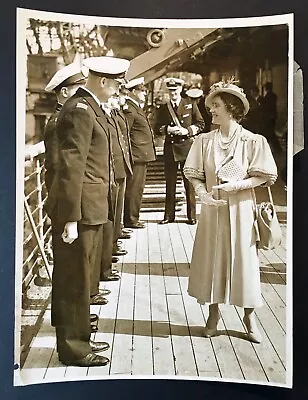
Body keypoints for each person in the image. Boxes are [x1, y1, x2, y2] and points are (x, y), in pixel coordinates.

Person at [45, 56, 130, 367]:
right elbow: (71, 167)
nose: (121, 85)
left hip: (91, 208)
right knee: (73, 279)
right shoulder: (81, 111)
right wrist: (69, 218)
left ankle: (81, 336)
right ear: (102, 81)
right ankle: (72, 348)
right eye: (117, 81)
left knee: (83, 277)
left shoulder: (90, 108)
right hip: (79, 211)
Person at [183, 80, 277, 343]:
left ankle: (249, 316)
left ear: (232, 108)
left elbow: (264, 176)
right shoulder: (204, 141)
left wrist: (236, 185)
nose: (211, 110)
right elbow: (194, 175)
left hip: (241, 209)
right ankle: (213, 314)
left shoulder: (252, 140)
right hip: (213, 211)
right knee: (212, 259)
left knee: (245, 262)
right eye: (211, 106)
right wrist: (203, 194)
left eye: (216, 106)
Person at [155, 77, 205, 225]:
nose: (173, 94)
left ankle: (191, 216)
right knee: (169, 183)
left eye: (175, 91)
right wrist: (168, 129)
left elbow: (201, 123)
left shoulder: (190, 105)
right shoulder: (164, 108)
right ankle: (168, 216)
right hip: (170, 149)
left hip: (186, 149)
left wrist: (187, 131)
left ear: (180, 90)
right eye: (170, 91)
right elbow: (157, 127)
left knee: (188, 183)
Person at [123, 77, 156, 229]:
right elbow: (125, 133)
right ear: (133, 92)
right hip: (136, 156)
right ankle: (131, 219)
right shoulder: (130, 109)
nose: (144, 93)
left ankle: (132, 217)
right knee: (134, 188)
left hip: (140, 155)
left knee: (138, 188)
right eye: (141, 91)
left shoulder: (135, 107)